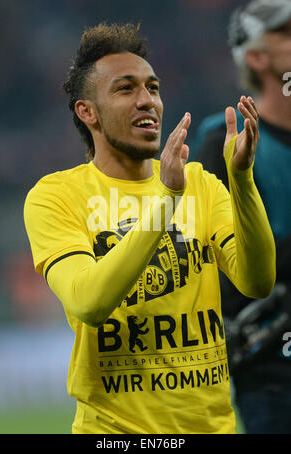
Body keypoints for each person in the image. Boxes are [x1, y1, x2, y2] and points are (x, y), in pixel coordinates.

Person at [23, 23, 275, 434]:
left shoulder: (202, 185)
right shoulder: (56, 196)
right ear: (87, 112)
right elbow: (89, 302)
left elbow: (258, 281)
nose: (147, 100)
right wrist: (167, 200)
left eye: (153, 88)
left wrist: (242, 180)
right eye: (125, 89)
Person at [193, 0, 291, 434]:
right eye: (286, 33)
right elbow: (211, 254)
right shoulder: (223, 141)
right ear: (257, 57)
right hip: (273, 377)